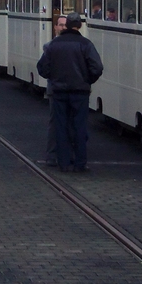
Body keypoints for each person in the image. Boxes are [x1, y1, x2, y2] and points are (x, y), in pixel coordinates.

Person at [36, 12, 103, 173]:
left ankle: (63, 163)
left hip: (59, 91)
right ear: (79, 25)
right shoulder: (86, 44)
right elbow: (97, 67)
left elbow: (42, 67)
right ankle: (80, 163)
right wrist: (87, 80)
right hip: (80, 92)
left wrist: (53, 77)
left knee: (60, 126)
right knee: (79, 126)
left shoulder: (54, 45)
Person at [36, 14, 67, 168]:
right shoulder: (49, 46)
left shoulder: (51, 46)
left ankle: (61, 154)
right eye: (60, 25)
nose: (62, 27)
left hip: (60, 88)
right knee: (55, 123)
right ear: (55, 27)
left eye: (64, 25)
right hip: (56, 89)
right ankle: (52, 155)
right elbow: (42, 67)